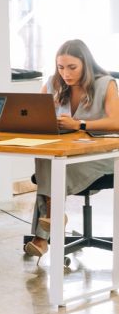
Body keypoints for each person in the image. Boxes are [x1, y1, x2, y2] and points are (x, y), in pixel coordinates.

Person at [24, 39, 119, 257]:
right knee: (48, 158)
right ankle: (52, 219)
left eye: (72, 67)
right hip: (65, 153)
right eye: (60, 67)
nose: (65, 73)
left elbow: (116, 122)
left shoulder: (106, 83)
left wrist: (80, 124)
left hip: (99, 156)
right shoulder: (53, 84)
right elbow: (35, 116)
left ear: (85, 64)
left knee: (51, 166)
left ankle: (43, 234)